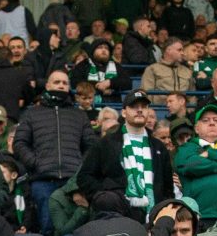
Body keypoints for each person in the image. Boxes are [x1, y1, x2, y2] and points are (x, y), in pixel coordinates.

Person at [75, 90, 175, 218]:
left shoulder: (158, 146)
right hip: (116, 215)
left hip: (152, 214)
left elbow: (167, 187)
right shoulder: (106, 143)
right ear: (123, 112)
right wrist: (105, 194)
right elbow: (84, 177)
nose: (140, 110)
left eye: (144, 107)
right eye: (134, 107)